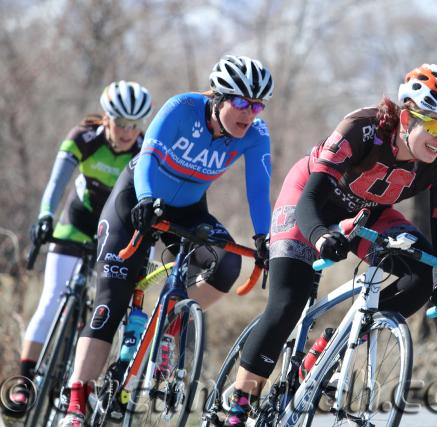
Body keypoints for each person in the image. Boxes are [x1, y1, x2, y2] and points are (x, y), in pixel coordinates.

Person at [222, 63, 437, 426]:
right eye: (435, 125)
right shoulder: (362, 128)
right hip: (310, 202)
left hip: (368, 213)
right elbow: (311, 199)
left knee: (420, 273)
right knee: (288, 302)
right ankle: (238, 407)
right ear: (407, 115)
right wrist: (321, 236)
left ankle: (335, 348)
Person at [58, 55, 273, 427]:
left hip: (189, 210)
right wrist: (144, 200)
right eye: (240, 102)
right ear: (219, 98)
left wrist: (263, 238)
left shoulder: (255, 134)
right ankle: (77, 400)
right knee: (110, 302)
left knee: (227, 264)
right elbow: (148, 158)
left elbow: (258, 188)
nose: (248, 113)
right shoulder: (182, 108)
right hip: (136, 200)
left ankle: (170, 321)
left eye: (256, 105)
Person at [5, 81, 152, 417]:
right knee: (53, 296)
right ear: (107, 117)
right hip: (77, 220)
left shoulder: (144, 150)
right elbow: (57, 183)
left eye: (135, 124)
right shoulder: (84, 138)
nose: (128, 131)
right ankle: (23, 381)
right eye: (121, 122)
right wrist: (45, 216)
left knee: (110, 302)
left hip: (113, 230)